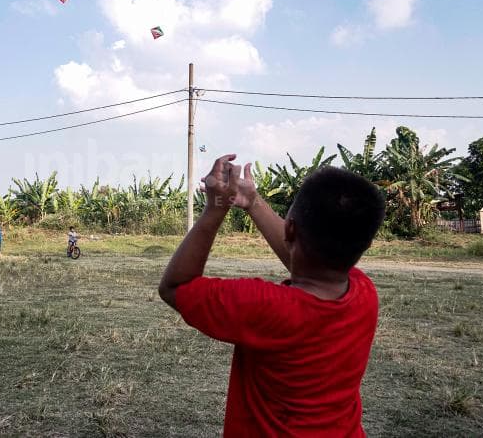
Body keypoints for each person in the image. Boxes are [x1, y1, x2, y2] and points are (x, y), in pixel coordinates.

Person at [159, 154, 385, 437]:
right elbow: (311, 262)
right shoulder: (364, 293)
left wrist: (214, 210)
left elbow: (175, 287)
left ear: (289, 229)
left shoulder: (263, 306)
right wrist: (252, 202)